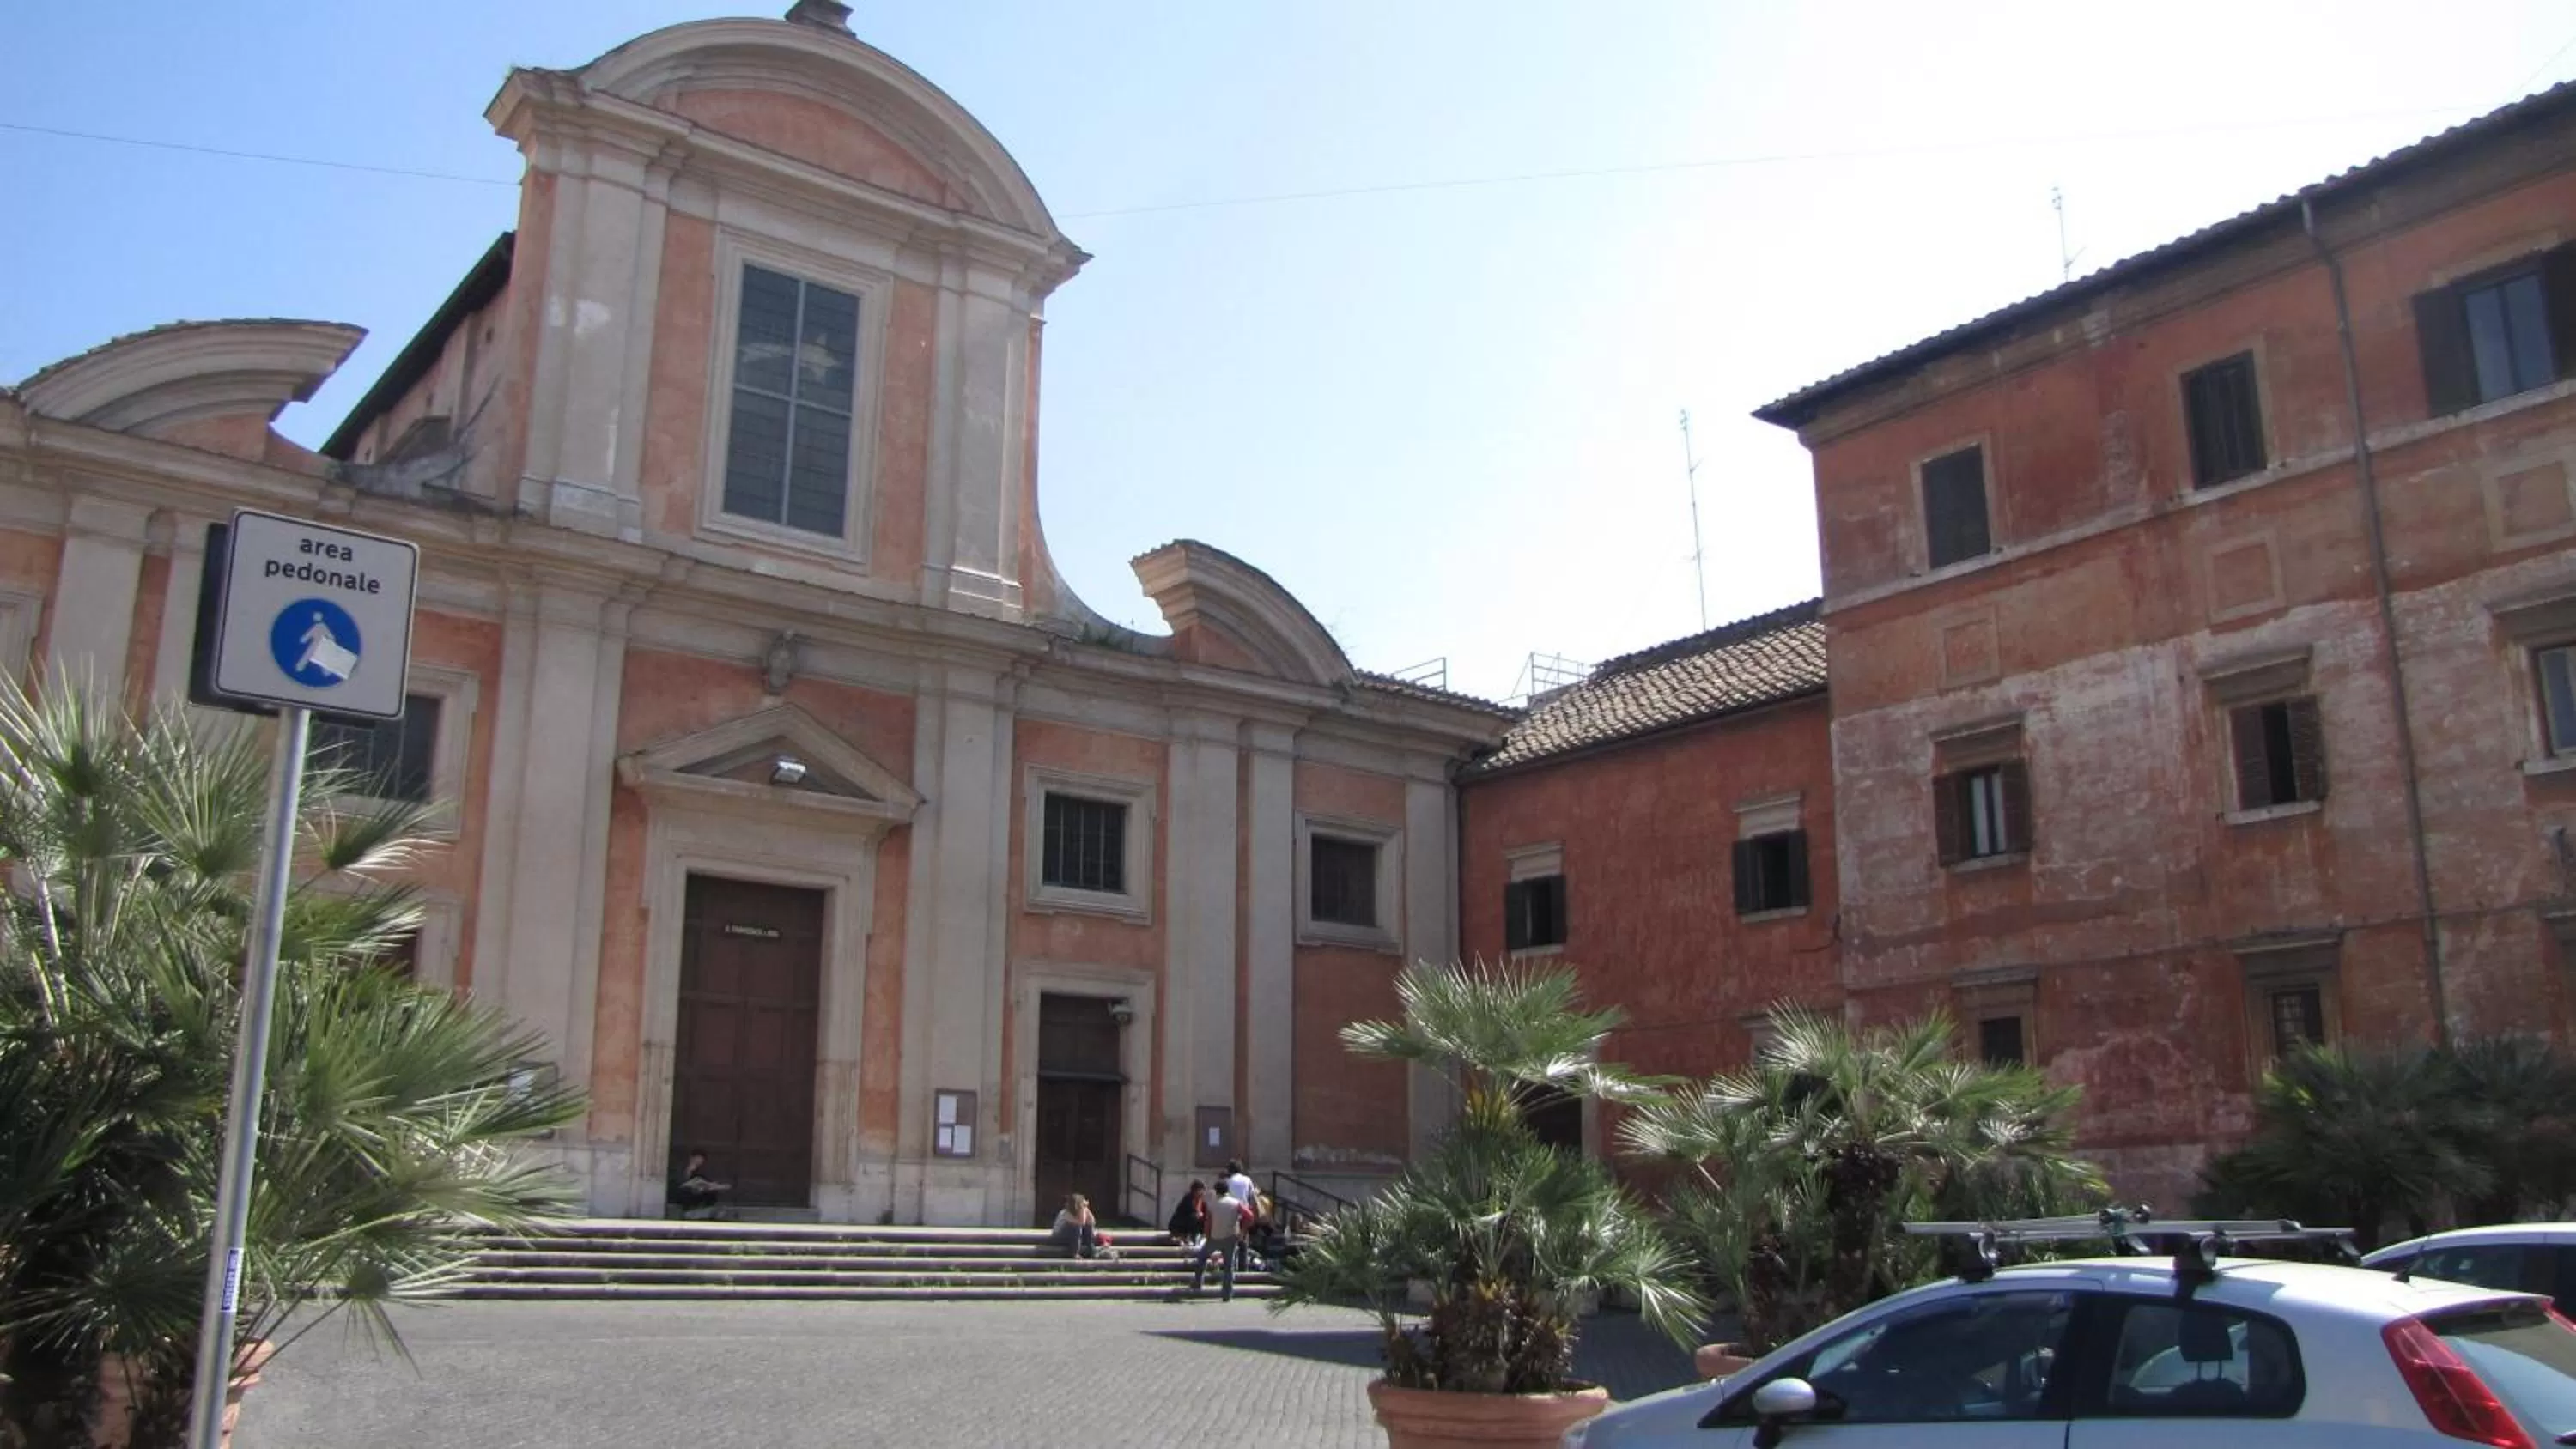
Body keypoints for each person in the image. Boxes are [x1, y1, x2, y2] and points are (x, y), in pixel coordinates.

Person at [1190, 1182, 1251, 1300]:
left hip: (1215, 1237)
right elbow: (1249, 1216)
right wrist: (1242, 1232)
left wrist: (1207, 1236)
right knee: (1229, 1266)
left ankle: (1198, 1283)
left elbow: (1208, 1222)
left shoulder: (1212, 1204)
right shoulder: (1236, 1203)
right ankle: (1227, 1294)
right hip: (1231, 1237)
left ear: (1216, 1191)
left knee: (1202, 1257)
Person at [667, 1150, 729, 1220]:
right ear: (691, 1158)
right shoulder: (680, 1168)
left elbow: (704, 1181)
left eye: (700, 1162)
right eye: (696, 1160)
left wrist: (712, 1186)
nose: (698, 1163)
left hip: (696, 1194)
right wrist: (689, 1171)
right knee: (687, 1191)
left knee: (711, 1193)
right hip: (681, 1193)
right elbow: (678, 1182)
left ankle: (705, 1211)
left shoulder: (700, 1171)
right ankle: (689, 1212)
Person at [1052, 1192, 1102, 1258]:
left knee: (1088, 1227)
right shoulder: (1065, 1213)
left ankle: (1091, 1250)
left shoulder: (1082, 1211)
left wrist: (1086, 1209)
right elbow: (1081, 1222)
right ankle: (1074, 1253)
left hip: (1074, 1238)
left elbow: (1092, 1222)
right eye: (1081, 1204)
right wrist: (1083, 1208)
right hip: (1059, 1237)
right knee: (1075, 1226)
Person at [1166, 1180, 1209, 1246]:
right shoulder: (1188, 1199)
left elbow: (1205, 1214)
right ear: (1195, 1191)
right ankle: (1189, 1238)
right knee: (1194, 1217)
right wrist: (1197, 1214)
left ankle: (1199, 1238)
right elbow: (1188, 1212)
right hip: (1180, 1225)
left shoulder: (1202, 1201)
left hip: (1193, 1226)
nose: (1203, 1193)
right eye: (1201, 1190)